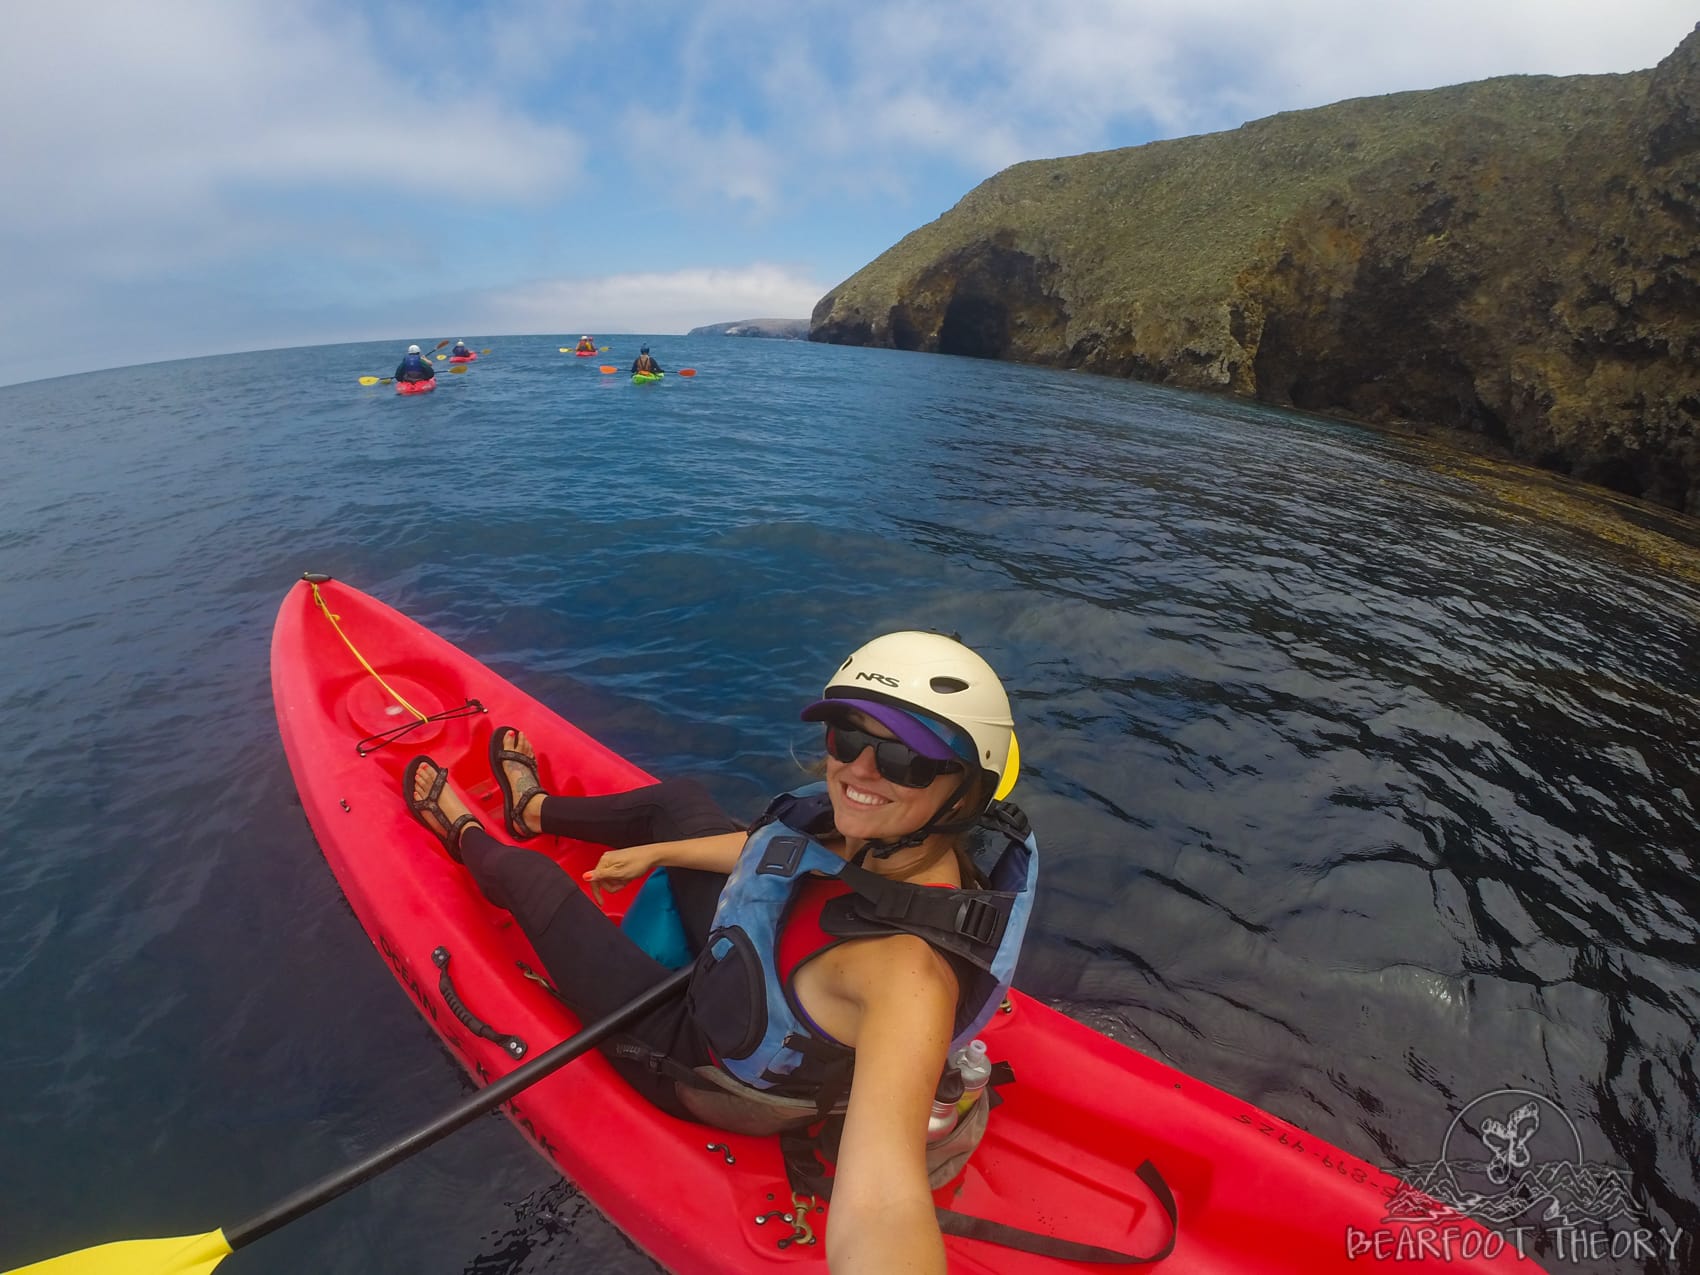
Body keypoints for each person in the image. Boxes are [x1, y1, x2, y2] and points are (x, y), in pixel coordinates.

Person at [402, 631, 1033, 1275]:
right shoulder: (889, 838)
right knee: (677, 805)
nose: (860, 771)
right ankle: (533, 810)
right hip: (756, 964)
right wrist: (659, 852)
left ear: (965, 791)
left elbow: (883, 1208)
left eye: (905, 760)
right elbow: (780, 857)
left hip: (705, 1056)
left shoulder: (908, 980)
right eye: (848, 738)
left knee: (533, 883)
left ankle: (463, 831)